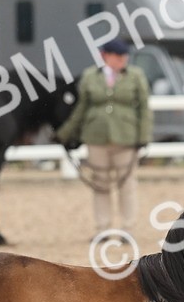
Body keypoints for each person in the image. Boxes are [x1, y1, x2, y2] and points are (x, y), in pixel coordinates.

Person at [56, 38, 153, 238]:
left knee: (127, 185)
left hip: (126, 138)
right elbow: (81, 109)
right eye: (118, 56)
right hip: (96, 138)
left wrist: (143, 136)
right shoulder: (91, 76)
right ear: (105, 56)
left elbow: (144, 108)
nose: (122, 60)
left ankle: (128, 228)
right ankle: (103, 228)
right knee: (101, 184)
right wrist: (65, 134)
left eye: (124, 56)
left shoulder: (135, 76)